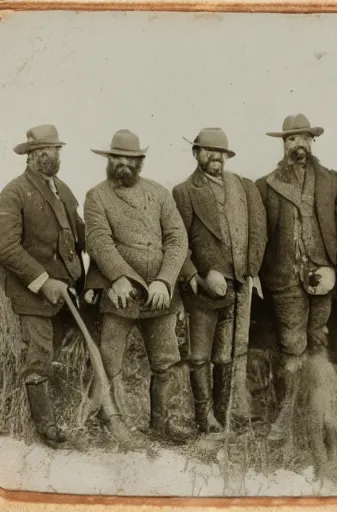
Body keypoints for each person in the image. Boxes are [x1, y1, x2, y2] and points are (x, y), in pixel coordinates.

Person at [83, 129, 196, 444]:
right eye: (117, 157)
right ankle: (109, 424)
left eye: (130, 159)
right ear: (109, 160)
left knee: (166, 361)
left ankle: (162, 425)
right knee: (110, 361)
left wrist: (164, 280)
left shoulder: (159, 194)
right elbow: (98, 240)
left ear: (139, 161)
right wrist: (119, 277)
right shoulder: (97, 196)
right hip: (121, 294)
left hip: (160, 296)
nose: (123, 164)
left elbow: (177, 239)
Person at [256, 114, 337, 442]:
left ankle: (322, 410)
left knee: (319, 339)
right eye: (291, 139)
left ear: (312, 142)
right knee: (292, 344)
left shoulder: (331, 181)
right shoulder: (266, 184)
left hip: (322, 273)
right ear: (283, 144)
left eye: (303, 138)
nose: (298, 144)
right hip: (284, 276)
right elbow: (259, 235)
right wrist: (255, 271)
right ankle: (288, 415)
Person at [172, 128, 267, 432]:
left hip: (240, 285)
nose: (216, 157)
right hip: (204, 290)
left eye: (220, 152)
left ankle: (224, 415)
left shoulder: (244, 187)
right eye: (208, 151)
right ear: (196, 153)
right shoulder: (184, 192)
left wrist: (250, 270)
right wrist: (196, 276)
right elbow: (177, 243)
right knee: (200, 356)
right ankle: (204, 418)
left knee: (228, 353)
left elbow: (258, 232)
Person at [0, 125, 85, 448]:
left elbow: (79, 235)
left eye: (55, 149)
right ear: (30, 156)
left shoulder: (62, 189)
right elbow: (6, 247)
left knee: (74, 348)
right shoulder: (14, 193)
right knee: (39, 357)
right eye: (43, 151)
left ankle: (80, 410)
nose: (51, 156)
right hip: (33, 293)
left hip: (68, 289)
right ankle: (44, 427)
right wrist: (42, 281)